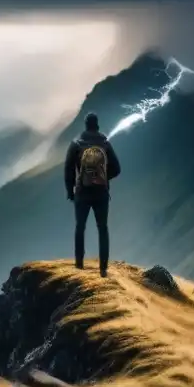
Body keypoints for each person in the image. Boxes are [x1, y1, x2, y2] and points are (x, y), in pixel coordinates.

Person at [64, 112, 121, 277]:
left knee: (80, 227)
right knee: (102, 228)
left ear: (85, 125)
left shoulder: (76, 144)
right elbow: (117, 169)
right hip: (101, 193)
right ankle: (103, 268)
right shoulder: (105, 144)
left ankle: (79, 264)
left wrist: (71, 190)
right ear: (97, 125)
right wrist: (102, 177)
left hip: (82, 193)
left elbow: (68, 170)